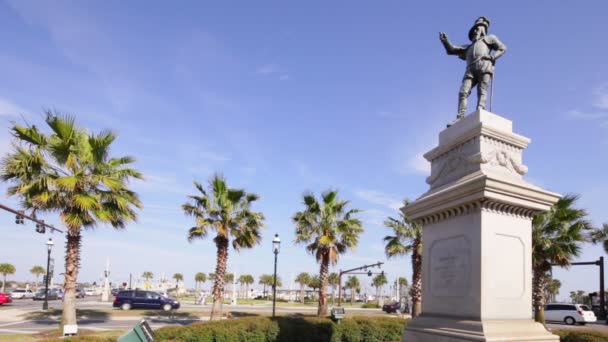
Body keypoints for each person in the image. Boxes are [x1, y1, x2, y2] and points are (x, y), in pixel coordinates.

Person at [439, 17, 507, 120]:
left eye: (477, 28)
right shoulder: (468, 47)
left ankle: (480, 109)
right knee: (463, 92)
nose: (475, 31)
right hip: (470, 69)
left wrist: (492, 56)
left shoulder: (490, 38)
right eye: (474, 29)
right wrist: (445, 41)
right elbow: (451, 50)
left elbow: (502, 48)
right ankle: (460, 117)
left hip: (484, 65)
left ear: (483, 29)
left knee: (482, 90)